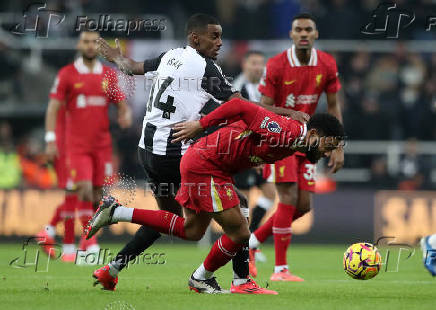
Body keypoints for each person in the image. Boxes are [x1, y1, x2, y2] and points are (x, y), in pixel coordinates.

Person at [92, 13, 292, 294]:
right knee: (231, 207)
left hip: (147, 151)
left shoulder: (170, 55)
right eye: (214, 36)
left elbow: (132, 66)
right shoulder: (205, 68)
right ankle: (241, 280)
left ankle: (111, 269)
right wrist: (287, 114)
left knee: (167, 219)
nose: (220, 42)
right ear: (195, 38)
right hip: (175, 153)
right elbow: (245, 107)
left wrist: (115, 56)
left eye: (221, 36)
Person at [85, 98, 344, 294]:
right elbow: (240, 105)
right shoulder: (286, 132)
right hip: (207, 165)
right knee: (241, 232)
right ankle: (208, 279)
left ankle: (116, 212)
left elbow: (251, 127)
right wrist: (201, 125)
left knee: (193, 230)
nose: (325, 154)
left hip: (212, 165)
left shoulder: (296, 141)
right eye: (327, 147)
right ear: (313, 135)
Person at [249, 12, 344, 281]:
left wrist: (337, 146)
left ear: (315, 34)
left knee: (303, 207)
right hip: (282, 140)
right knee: (288, 199)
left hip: (311, 144)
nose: (303, 34)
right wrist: (287, 117)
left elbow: (334, 106)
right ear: (291, 35)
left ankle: (251, 243)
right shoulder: (277, 65)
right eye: (298, 29)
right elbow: (262, 107)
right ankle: (281, 270)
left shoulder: (327, 63)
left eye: (308, 29)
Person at [44, 30, 132, 259]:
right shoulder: (67, 74)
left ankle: (67, 239)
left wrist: (125, 114)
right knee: (80, 189)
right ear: (79, 44)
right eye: (86, 42)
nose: (91, 46)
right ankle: (88, 246)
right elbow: (53, 108)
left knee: (95, 195)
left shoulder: (108, 75)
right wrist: (51, 139)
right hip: (76, 146)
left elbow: (120, 103)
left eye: (95, 42)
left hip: (102, 145)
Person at [233, 51, 276, 263]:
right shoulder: (238, 88)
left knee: (270, 193)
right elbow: (241, 124)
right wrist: (253, 155)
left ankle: (250, 242)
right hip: (243, 152)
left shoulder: (264, 89)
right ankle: (241, 248)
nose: (258, 67)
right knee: (243, 202)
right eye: (253, 63)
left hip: (260, 152)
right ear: (245, 64)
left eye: (261, 63)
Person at [37, 104, 78, 262]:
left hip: (70, 150)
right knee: (72, 197)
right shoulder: (69, 90)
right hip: (67, 151)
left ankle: (48, 232)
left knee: (75, 198)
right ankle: (67, 248)